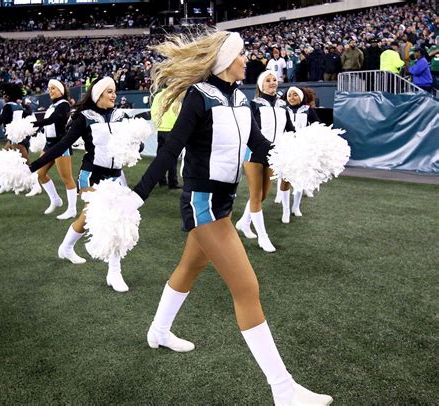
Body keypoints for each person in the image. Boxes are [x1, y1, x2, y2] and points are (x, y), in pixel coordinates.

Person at [124, 30, 333, 406]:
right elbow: (170, 150)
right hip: (201, 202)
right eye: (240, 56)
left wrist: (295, 159)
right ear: (224, 62)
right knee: (246, 287)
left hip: (223, 202)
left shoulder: (241, 99)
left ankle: (158, 330)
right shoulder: (198, 97)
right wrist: (137, 195)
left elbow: (259, 144)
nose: (245, 61)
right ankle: (283, 390)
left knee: (188, 269)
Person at [29, 77, 130, 293]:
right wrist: (33, 166)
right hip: (92, 175)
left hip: (116, 176)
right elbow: (63, 144)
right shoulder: (85, 117)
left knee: (87, 219)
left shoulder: (120, 115)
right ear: (98, 95)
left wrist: (135, 147)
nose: (114, 95)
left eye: (115, 91)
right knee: (111, 219)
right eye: (110, 91)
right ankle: (114, 271)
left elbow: (129, 143)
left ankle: (66, 247)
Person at [235, 70, 295, 253]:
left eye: (274, 80)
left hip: (274, 155)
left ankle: (244, 223)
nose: (272, 83)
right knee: (255, 194)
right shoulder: (253, 105)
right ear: (261, 85)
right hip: (253, 154)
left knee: (263, 195)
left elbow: (290, 130)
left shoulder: (283, 106)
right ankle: (263, 237)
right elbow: (247, 130)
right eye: (268, 80)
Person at [27, 79, 78, 220]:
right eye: (49, 88)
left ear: (61, 90)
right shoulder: (53, 105)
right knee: (41, 173)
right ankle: (55, 200)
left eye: (53, 88)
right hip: (49, 145)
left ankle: (72, 209)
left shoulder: (64, 104)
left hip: (61, 144)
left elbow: (54, 119)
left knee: (66, 178)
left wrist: (38, 123)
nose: (50, 91)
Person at [274, 87, 320, 223]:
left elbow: (318, 126)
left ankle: (296, 206)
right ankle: (285, 210)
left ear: (301, 97)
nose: (292, 98)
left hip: (302, 147)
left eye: (295, 95)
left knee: (300, 179)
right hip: (286, 146)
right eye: (289, 95)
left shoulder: (308, 110)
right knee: (285, 178)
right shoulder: (282, 110)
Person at [0, 82, 30, 194]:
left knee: (26, 164)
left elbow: (0, 121)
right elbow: (27, 114)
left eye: (5, 94)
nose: (3, 96)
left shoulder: (8, 106)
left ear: (9, 95)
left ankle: (36, 185)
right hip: (17, 137)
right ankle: (4, 185)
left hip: (16, 139)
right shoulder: (18, 106)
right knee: (4, 161)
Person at [150, 90, 181, 189]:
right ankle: (173, 182)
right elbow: (179, 113)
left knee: (161, 157)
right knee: (172, 157)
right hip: (172, 130)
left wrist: (157, 125)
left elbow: (154, 111)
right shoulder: (175, 96)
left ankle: (161, 180)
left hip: (161, 130)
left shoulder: (158, 96)